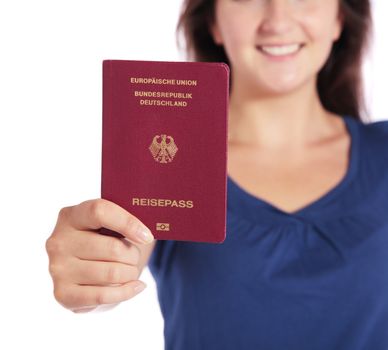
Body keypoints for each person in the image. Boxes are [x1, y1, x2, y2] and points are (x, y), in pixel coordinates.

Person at [46, 0, 388, 348]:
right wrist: (94, 272)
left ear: (340, 18)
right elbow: (119, 265)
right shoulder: (171, 161)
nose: (277, 20)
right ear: (212, 22)